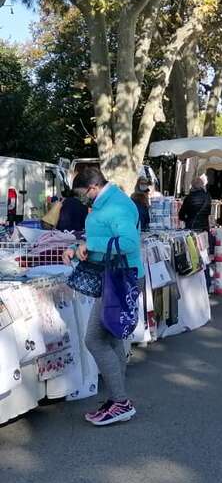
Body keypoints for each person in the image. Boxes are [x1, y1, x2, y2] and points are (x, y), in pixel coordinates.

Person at [63, 167, 143, 427]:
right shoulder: (109, 203)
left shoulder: (116, 205)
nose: (81, 199)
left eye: (82, 194)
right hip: (117, 276)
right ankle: (117, 398)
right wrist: (78, 249)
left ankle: (120, 402)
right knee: (112, 337)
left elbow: (129, 243)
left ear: (93, 188)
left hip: (120, 278)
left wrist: (89, 246)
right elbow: (104, 239)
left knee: (95, 339)